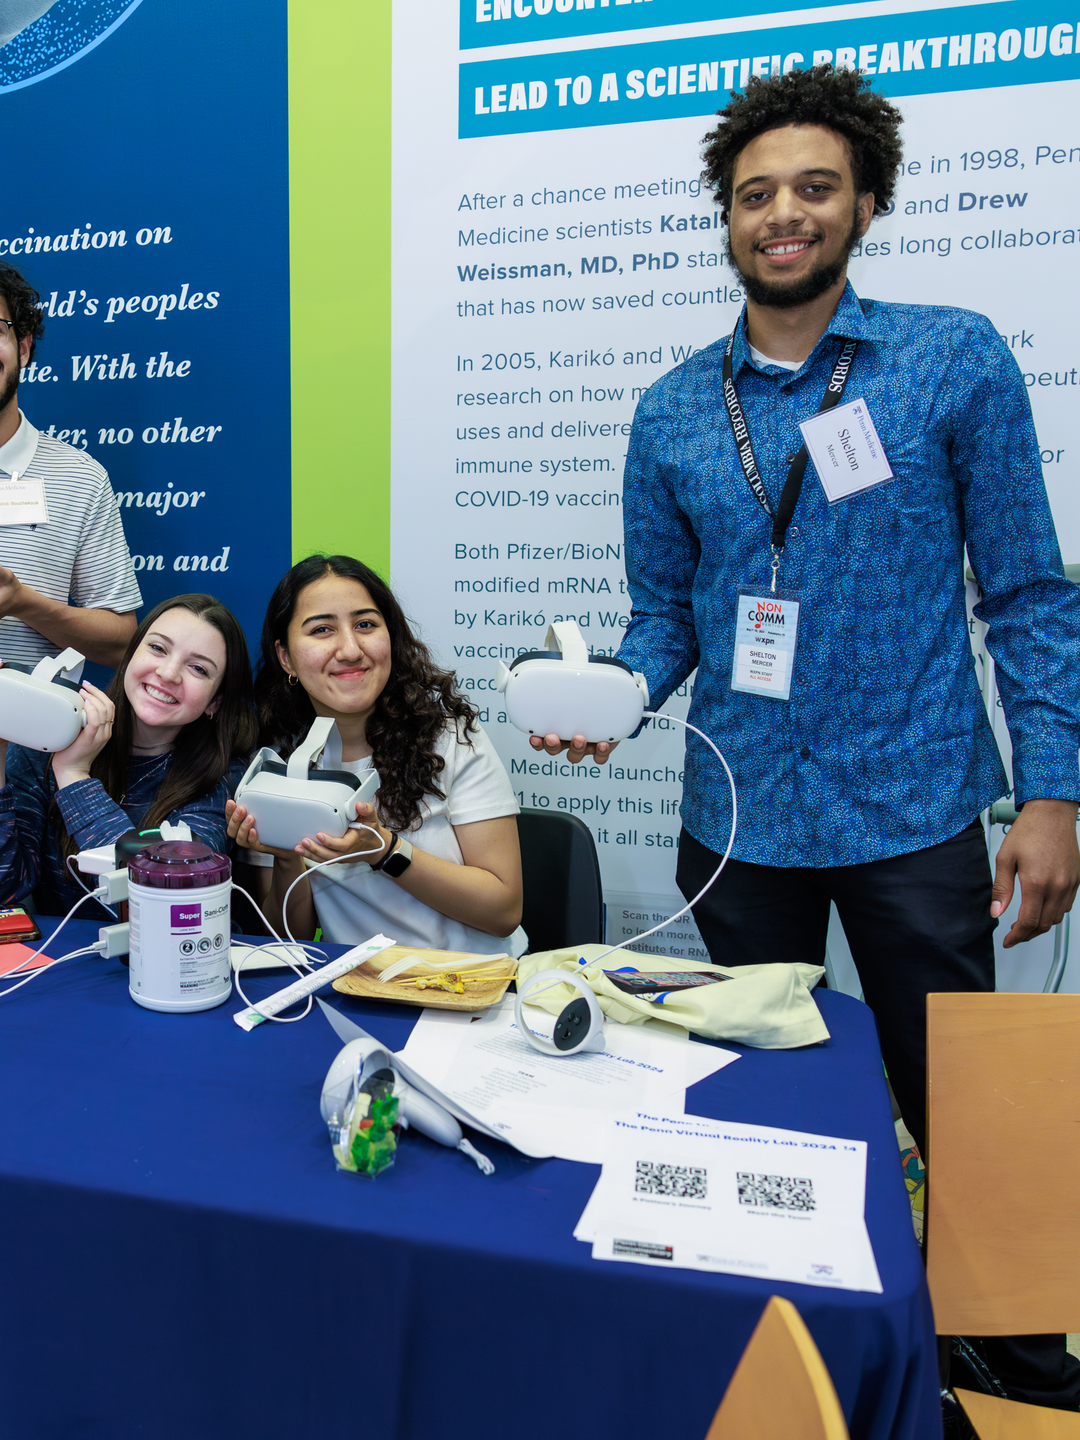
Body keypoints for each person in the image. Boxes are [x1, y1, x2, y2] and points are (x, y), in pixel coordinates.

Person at [534, 66, 1080, 1410]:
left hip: (911, 808)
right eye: (755, 194)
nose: (783, 214)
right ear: (726, 220)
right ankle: (792, 1357)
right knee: (763, 1111)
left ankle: (1010, 1366)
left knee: (960, 1100)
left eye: (813, 188)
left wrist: (1055, 795)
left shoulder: (952, 355)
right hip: (742, 822)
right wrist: (620, 695)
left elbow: (1025, 590)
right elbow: (666, 614)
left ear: (867, 203)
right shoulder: (670, 408)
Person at [228, 555, 525, 954]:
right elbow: (287, 939)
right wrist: (285, 859)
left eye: (365, 625)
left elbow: (504, 911)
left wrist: (384, 850)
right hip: (357, 989)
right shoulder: (275, 765)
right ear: (286, 658)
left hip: (477, 986)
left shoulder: (448, 738)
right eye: (322, 630)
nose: (350, 649)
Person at [0, 593, 257, 920]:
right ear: (130, 655)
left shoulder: (222, 776)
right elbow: (6, 888)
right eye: (158, 648)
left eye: (198, 668)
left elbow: (163, 905)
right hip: (57, 961)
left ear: (214, 702)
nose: (168, 673)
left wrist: (75, 775)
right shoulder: (47, 741)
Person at [0, 263, 141, 670]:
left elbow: (120, 644)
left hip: (26, 734)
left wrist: (22, 602)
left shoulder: (81, 479)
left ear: (23, 347)